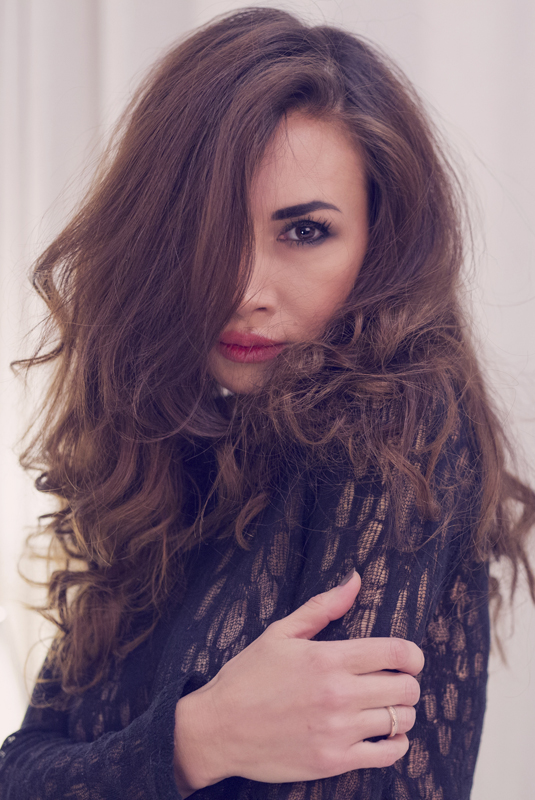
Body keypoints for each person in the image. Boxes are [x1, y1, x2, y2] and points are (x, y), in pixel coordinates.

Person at [1, 6, 534, 800]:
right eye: (205, 231)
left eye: (305, 231)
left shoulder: (403, 429)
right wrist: (196, 741)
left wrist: (149, 755)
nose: (243, 289)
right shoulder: (168, 458)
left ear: (380, 241)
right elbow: (20, 768)